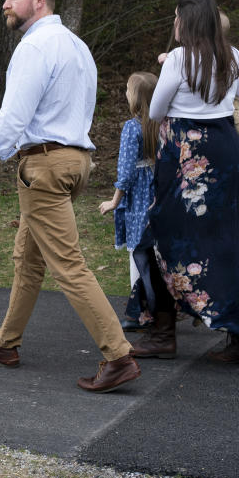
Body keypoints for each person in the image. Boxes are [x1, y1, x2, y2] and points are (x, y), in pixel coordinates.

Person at [0, 0, 140, 394]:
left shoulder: (35, 47)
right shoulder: (77, 46)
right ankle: (5, 343)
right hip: (75, 163)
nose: (5, 4)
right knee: (28, 259)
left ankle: (118, 355)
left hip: (46, 167)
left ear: (38, 1)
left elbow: (13, 119)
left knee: (68, 266)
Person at [149, 0, 239, 366]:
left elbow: (154, 110)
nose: (174, 23)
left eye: (176, 17)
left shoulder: (178, 60)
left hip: (186, 157)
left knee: (164, 234)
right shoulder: (233, 57)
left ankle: (163, 329)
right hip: (228, 154)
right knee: (235, 242)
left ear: (188, 22)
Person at [156, 10, 239, 184]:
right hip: (226, 136)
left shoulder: (184, 57)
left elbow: (156, 112)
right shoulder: (232, 56)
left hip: (196, 139)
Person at [97, 72, 169, 350]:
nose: (125, 94)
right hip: (157, 194)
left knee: (137, 253)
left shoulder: (132, 127)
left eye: (128, 90)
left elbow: (126, 171)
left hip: (138, 197)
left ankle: (142, 311)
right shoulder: (161, 125)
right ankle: (158, 308)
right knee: (156, 253)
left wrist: (115, 200)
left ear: (137, 98)